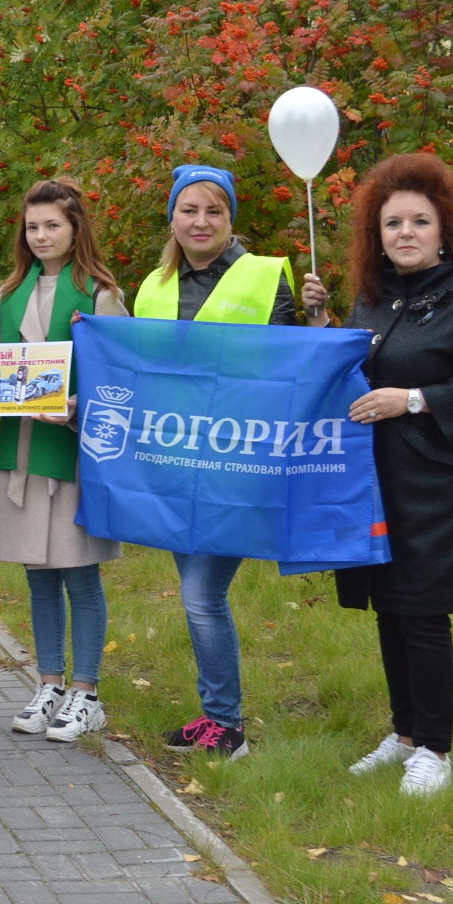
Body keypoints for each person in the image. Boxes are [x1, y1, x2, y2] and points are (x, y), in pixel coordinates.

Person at [133, 165, 329, 759]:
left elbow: (297, 368)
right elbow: (139, 370)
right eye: (189, 210)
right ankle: (215, 717)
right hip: (173, 464)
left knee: (200, 597)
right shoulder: (151, 284)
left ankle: (229, 727)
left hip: (239, 467)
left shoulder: (267, 277)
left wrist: (319, 323)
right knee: (197, 595)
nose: (200, 221)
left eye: (213, 211)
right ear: (172, 216)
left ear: (230, 219)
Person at [336, 153, 453, 795]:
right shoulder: (372, 298)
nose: (405, 233)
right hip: (376, 477)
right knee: (389, 606)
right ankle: (405, 733)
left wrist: (411, 399)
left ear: (446, 230)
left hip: (440, 481)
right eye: (392, 224)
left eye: (419, 221)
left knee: (422, 611)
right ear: (376, 234)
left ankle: (436, 752)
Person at [0, 180, 128, 742]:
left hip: (71, 452)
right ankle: (49, 684)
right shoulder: (10, 291)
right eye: (32, 226)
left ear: (76, 229)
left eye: (53, 226)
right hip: (21, 453)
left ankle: (86, 693)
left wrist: (75, 406)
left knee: (78, 574)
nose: (40, 236)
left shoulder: (99, 292)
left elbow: (121, 379)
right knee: (37, 576)